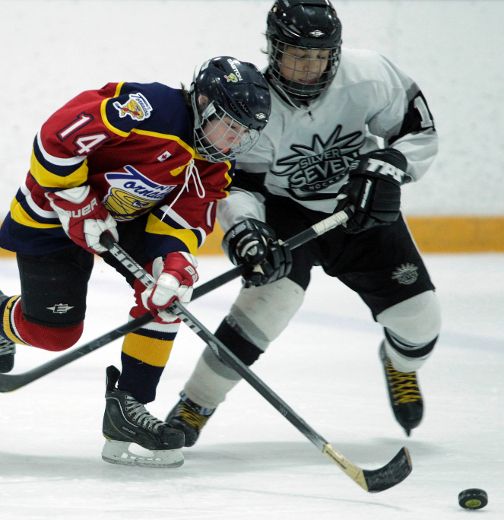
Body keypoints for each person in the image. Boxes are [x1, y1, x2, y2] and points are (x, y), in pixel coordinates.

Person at [165, 0, 442, 446]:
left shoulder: (370, 74)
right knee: (263, 309)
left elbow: (417, 132)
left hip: (360, 204)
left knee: (419, 322)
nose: (309, 68)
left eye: (319, 56)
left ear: (335, 52)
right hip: (285, 215)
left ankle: (400, 364)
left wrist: (389, 166)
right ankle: (195, 405)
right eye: (297, 55)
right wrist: (246, 230)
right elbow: (237, 184)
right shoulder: (254, 101)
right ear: (273, 50)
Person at [0, 56, 271, 467]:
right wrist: (76, 201)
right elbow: (56, 138)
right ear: (203, 102)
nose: (233, 141)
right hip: (56, 212)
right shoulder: (149, 108)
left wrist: (176, 262)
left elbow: (186, 218)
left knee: (169, 294)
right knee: (54, 334)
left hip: (126, 222)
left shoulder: (212, 161)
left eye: (243, 132)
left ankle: (128, 408)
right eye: (230, 125)